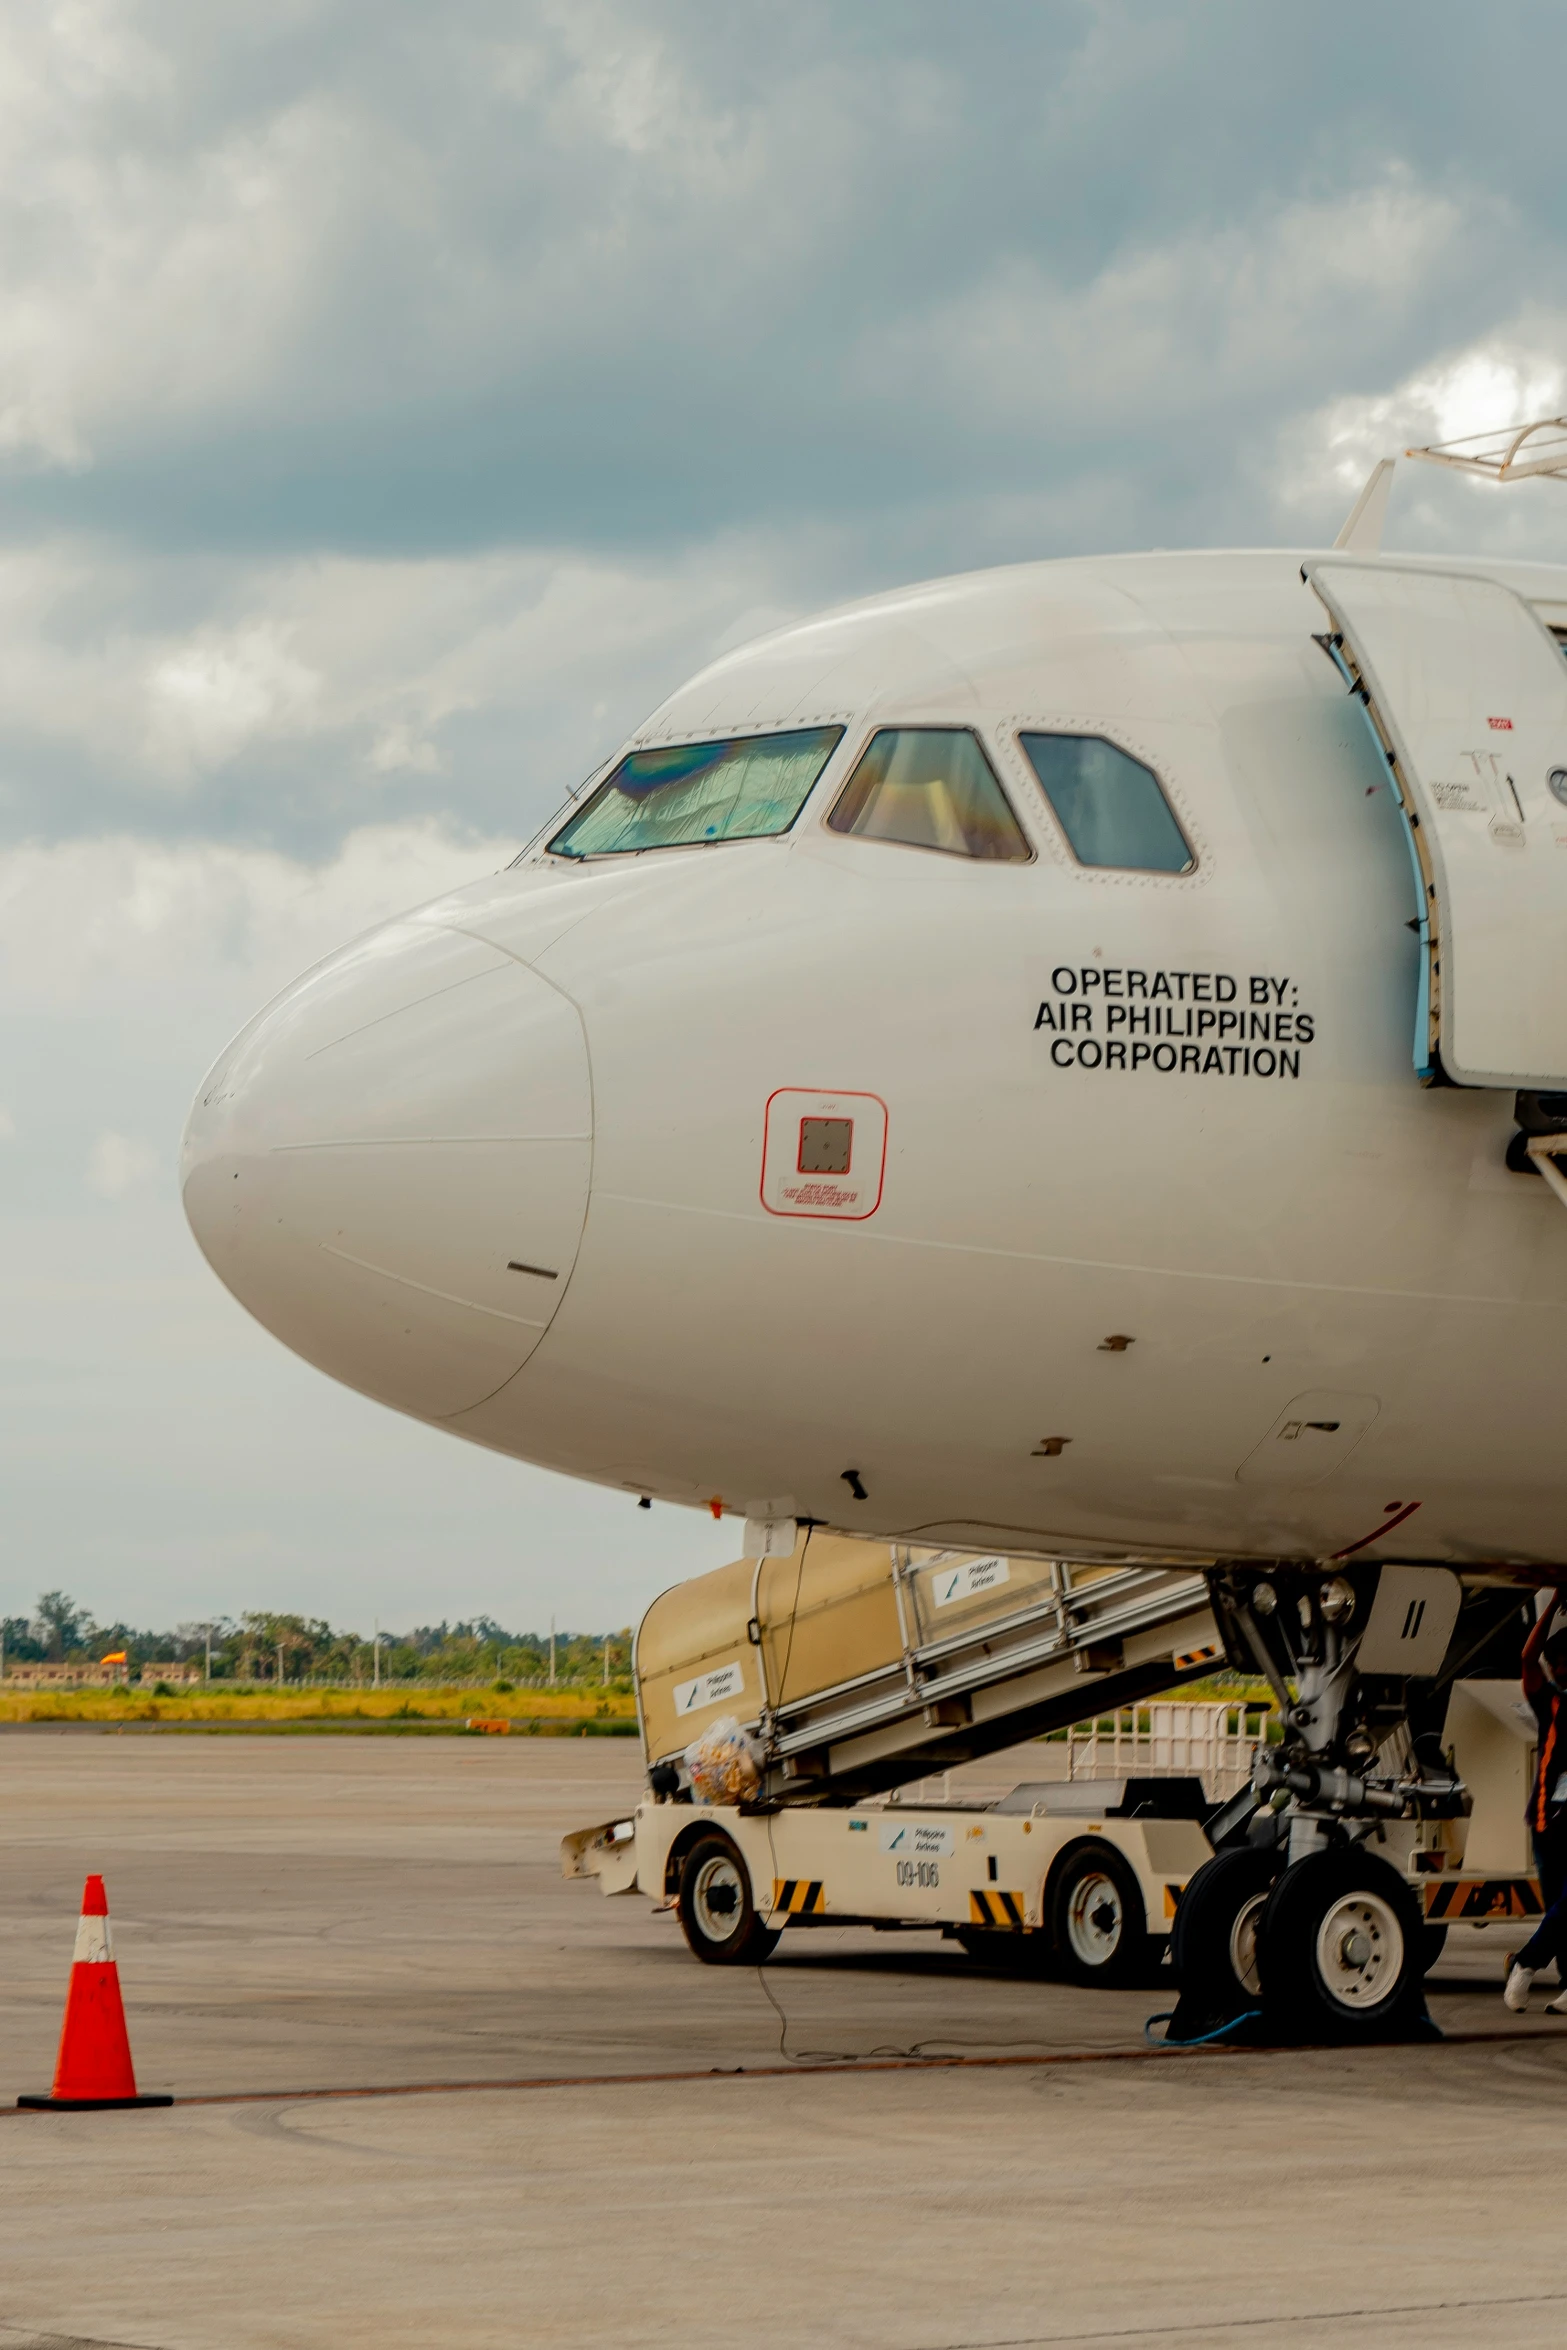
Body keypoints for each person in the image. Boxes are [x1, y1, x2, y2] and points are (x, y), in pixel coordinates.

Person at [1504, 1588, 1567, 2012]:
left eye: (1556, 1662)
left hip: (1556, 1821)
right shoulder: (1552, 1702)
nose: (1550, 1666)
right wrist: (1549, 1608)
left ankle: (1526, 1965)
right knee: (1560, 1910)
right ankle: (1536, 1968)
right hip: (1548, 1821)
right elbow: (1528, 1658)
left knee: (1566, 1907)